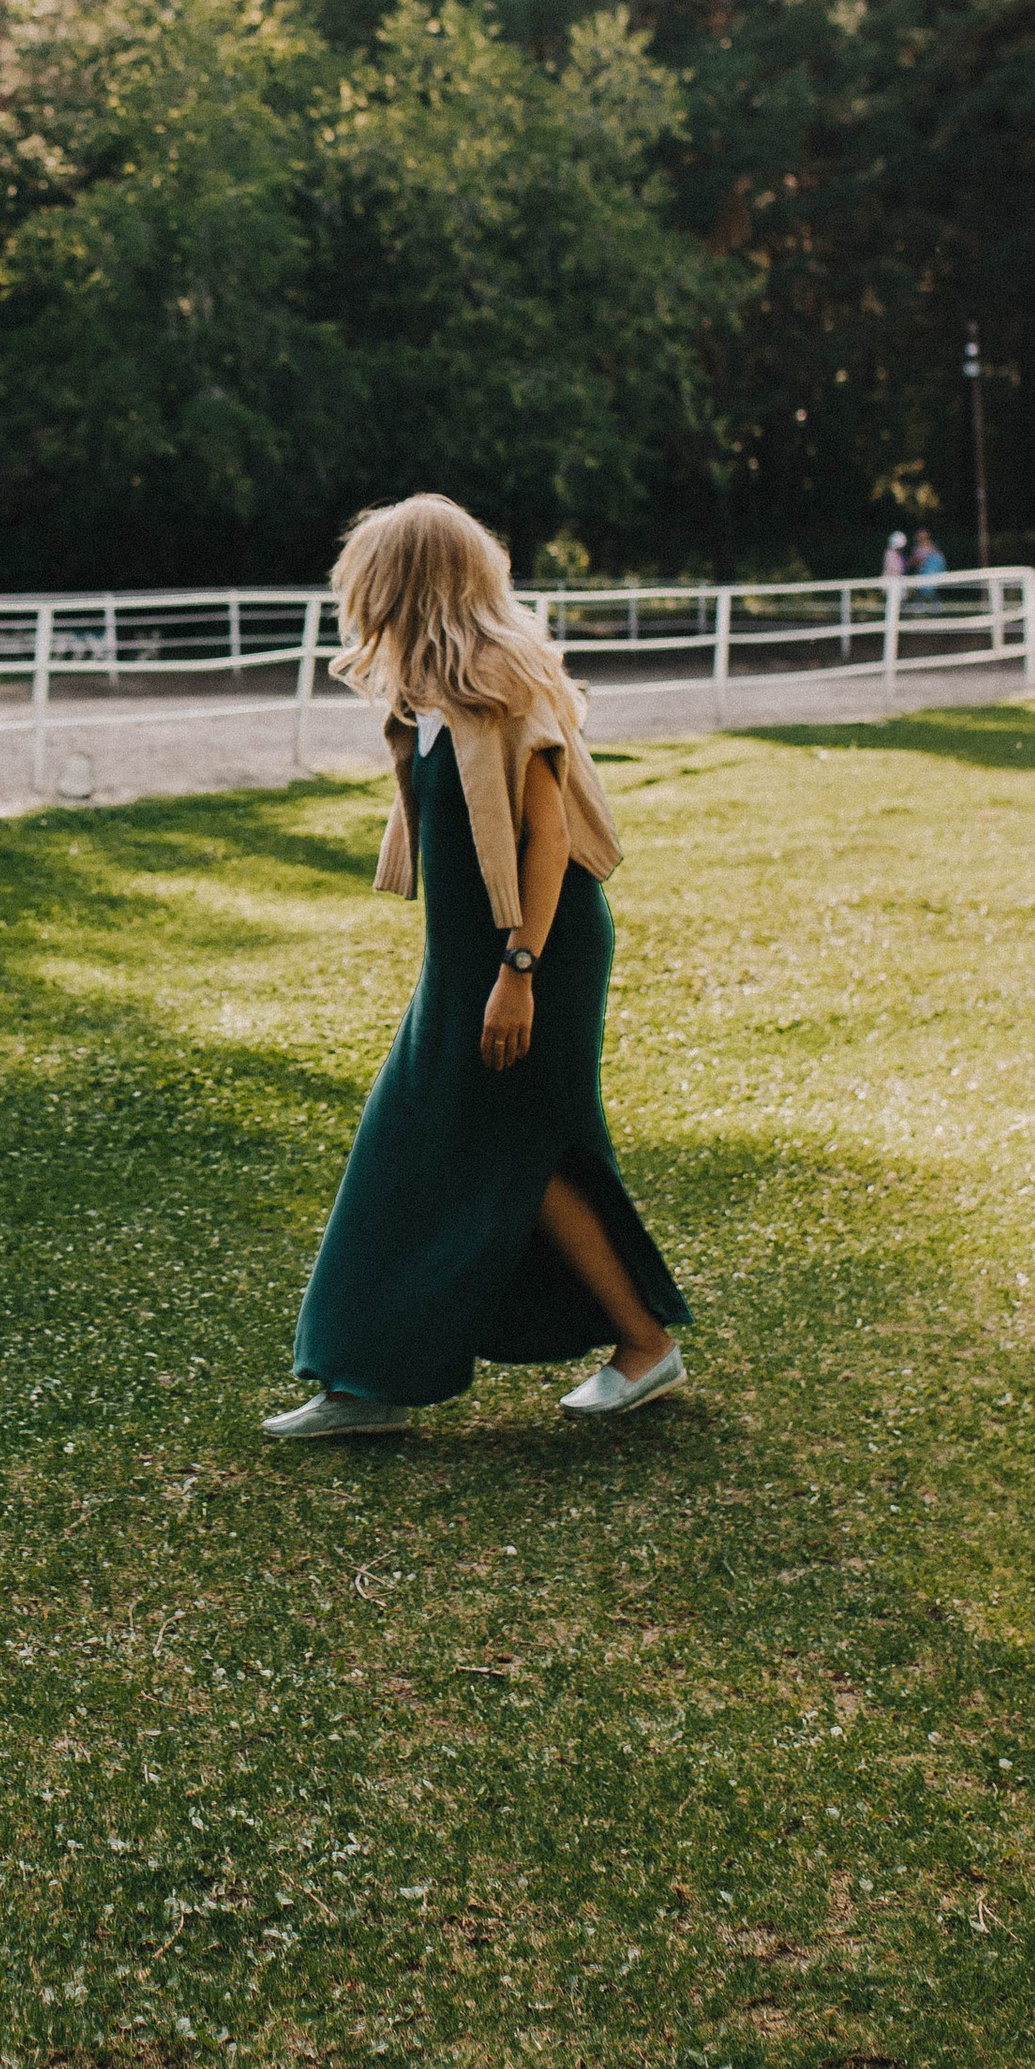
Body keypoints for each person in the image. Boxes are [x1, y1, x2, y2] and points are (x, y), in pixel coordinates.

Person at [265, 494, 691, 1442]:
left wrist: (520, 970)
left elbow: (548, 839)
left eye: (368, 574)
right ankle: (366, 1378)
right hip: (468, 959)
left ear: (408, 579)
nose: (354, 591)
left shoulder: (499, 677)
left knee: (515, 1146)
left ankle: (639, 1345)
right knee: (429, 1141)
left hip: (537, 949)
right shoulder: (426, 686)